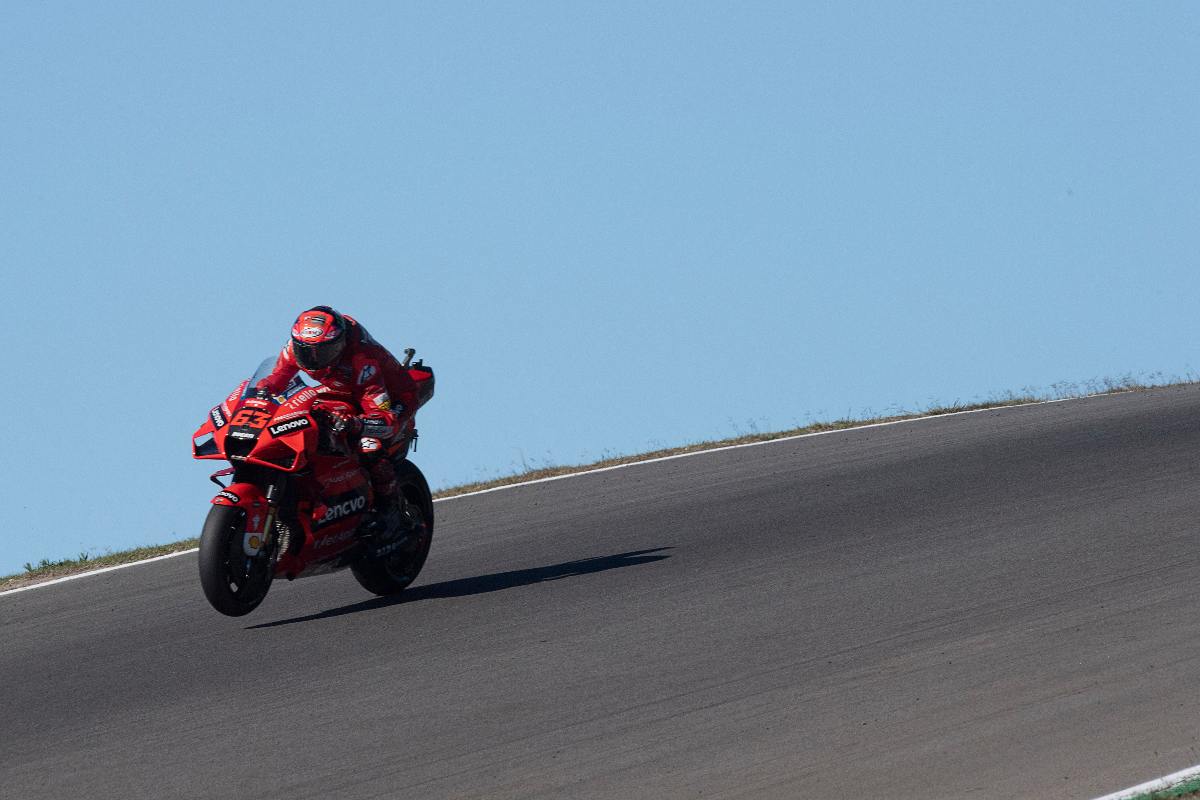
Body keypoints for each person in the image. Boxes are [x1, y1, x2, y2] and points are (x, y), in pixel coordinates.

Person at [257, 306, 419, 536]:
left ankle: (389, 508)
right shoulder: (296, 347)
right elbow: (278, 377)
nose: (313, 359)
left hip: (392, 397)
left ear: (340, 344)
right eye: (307, 351)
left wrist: (357, 424)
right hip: (338, 392)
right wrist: (263, 390)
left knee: (369, 446)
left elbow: (381, 414)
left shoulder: (362, 360)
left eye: (323, 351)